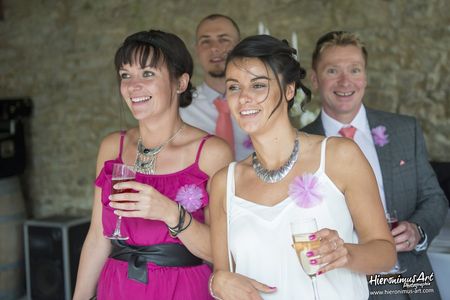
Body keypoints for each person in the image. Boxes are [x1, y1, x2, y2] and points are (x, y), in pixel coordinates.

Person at [208, 34, 396, 300]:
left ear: (288, 90)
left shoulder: (338, 156)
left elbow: (385, 254)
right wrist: (216, 283)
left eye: (258, 85)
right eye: (234, 87)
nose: (244, 98)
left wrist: (346, 252)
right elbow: (224, 277)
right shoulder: (224, 184)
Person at [73, 29, 233, 300]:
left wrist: (170, 212)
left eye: (147, 74)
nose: (133, 86)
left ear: (180, 83)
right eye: (126, 75)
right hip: (116, 286)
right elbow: (97, 238)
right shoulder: (113, 146)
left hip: (182, 288)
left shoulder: (211, 152)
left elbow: (224, 254)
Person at [302, 31, 447, 299]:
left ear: (365, 77)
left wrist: (418, 230)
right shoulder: (300, 144)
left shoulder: (405, 130)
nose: (345, 81)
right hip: (343, 284)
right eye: (332, 70)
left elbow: (434, 198)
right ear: (314, 78)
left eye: (354, 70)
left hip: (414, 281)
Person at [180, 14, 254, 160]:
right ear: (197, 50)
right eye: (205, 41)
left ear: (239, 46)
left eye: (223, 40)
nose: (214, 48)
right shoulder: (181, 108)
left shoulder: (259, 100)